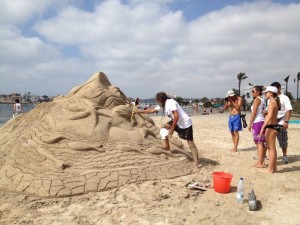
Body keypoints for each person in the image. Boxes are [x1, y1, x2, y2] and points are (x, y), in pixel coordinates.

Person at [134, 92, 200, 172]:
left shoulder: (170, 102)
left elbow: (176, 116)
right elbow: (151, 110)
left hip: (185, 123)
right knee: (163, 129)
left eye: (157, 100)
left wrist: (172, 129)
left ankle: (196, 164)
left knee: (190, 143)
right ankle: (167, 146)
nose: (157, 102)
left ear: (160, 99)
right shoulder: (163, 105)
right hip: (176, 121)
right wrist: (138, 112)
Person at [270, 82, 293, 164]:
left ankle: (284, 156)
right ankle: (271, 156)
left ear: (279, 88)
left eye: (275, 88)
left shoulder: (284, 98)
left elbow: (288, 109)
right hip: (272, 123)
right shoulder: (271, 98)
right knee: (269, 141)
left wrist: (286, 121)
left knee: (283, 141)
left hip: (281, 122)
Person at [259, 86, 280, 174]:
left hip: (271, 126)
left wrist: (263, 127)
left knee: (271, 148)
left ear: (271, 93)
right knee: (272, 148)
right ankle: (273, 168)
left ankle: (270, 169)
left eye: (266, 92)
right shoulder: (274, 102)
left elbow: (270, 116)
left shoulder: (272, 102)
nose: (265, 93)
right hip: (274, 126)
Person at [248, 86, 266, 168]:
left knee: (259, 143)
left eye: (253, 91)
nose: (251, 92)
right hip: (262, 121)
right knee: (261, 143)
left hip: (258, 122)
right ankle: (261, 161)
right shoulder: (263, 100)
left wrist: (250, 123)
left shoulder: (257, 100)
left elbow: (254, 113)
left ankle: (260, 163)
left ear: (258, 92)